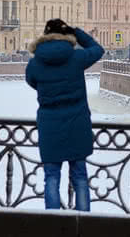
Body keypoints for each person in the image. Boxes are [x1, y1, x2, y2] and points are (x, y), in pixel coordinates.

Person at [26, 19, 104, 211]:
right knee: (80, 177)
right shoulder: (76, 57)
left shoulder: (35, 63)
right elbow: (98, 49)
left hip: (50, 126)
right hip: (77, 124)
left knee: (51, 177)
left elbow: (32, 81)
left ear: (44, 35)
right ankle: (83, 223)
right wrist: (77, 32)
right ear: (66, 35)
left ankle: (53, 225)